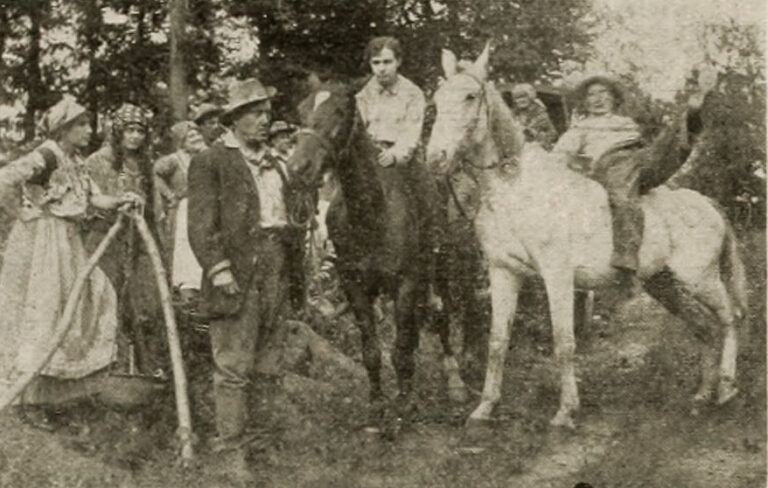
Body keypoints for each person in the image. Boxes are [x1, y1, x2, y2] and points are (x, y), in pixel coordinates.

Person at [0, 96, 139, 427]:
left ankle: (56, 394)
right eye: (82, 125)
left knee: (86, 301)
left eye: (88, 124)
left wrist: (121, 200)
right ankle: (29, 399)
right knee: (44, 313)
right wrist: (21, 212)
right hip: (42, 241)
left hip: (67, 241)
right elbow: (6, 178)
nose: (89, 130)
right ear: (63, 129)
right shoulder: (47, 154)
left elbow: (92, 198)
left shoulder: (75, 160)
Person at [187, 78, 300, 478]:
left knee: (270, 364)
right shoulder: (211, 161)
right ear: (233, 120)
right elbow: (201, 225)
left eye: (266, 113)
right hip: (236, 273)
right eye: (254, 113)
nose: (264, 120)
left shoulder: (278, 164)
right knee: (233, 366)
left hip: (276, 268)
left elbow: (289, 218)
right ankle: (230, 451)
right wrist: (219, 270)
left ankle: (260, 445)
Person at [553, 75, 706, 293]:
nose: (598, 99)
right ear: (585, 102)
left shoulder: (626, 124)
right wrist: (575, 165)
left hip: (639, 161)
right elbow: (559, 157)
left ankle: (690, 117)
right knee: (623, 200)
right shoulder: (580, 128)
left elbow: (646, 150)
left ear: (613, 98)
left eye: (603, 93)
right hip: (608, 166)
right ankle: (626, 264)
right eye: (592, 95)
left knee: (665, 147)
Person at [355, 36, 442, 304]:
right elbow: (359, 128)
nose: (381, 69)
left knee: (429, 193)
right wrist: (370, 154)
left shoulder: (412, 93)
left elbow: (411, 132)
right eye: (376, 63)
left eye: (387, 62)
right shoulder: (363, 93)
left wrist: (394, 155)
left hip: (401, 157)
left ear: (398, 62)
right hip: (370, 157)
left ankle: (431, 256)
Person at [85, 103, 165, 376]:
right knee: (108, 300)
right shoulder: (98, 161)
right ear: (118, 131)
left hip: (138, 238)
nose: (134, 137)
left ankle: (146, 367)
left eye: (140, 131)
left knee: (144, 302)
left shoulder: (145, 164)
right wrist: (117, 203)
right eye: (129, 130)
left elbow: (154, 208)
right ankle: (109, 365)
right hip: (106, 238)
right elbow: (90, 201)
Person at [154, 121, 208, 302]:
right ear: (181, 141)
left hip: (206, 208)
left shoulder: (207, 155)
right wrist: (169, 195)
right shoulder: (174, 160)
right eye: (191, 136)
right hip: (185, 210)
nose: (197, 138)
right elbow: (155, 174)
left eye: (198, 134)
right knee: (186, 251)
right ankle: (187, 294)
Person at [510, 83, 557, 150]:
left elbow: (551, 134)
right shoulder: (514, 113)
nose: (521, 100)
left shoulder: (539, 111)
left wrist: (526, 130)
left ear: (530, 97)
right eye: (517, 98)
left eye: (523, 97)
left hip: (539, 145)